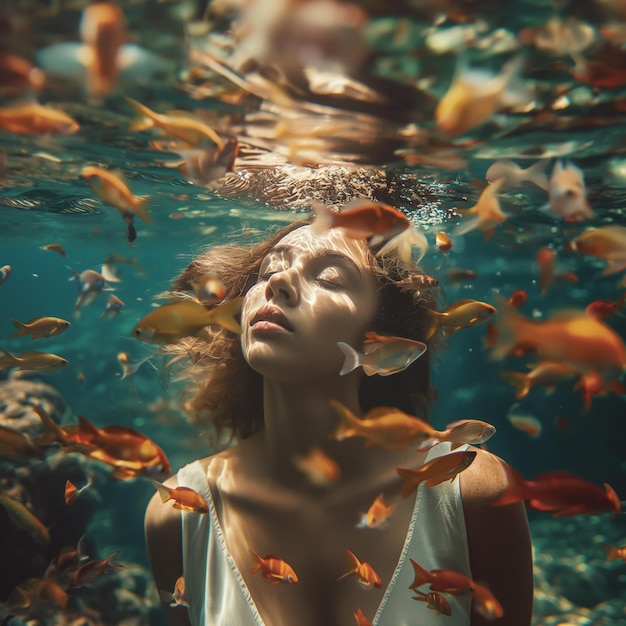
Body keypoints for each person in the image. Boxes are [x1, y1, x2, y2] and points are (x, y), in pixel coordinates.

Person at [145, 217, 533, 626]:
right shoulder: (179, 514)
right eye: (269, 271)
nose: (279, 283)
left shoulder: (470, 488)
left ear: (382, 335)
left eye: (330, 278)